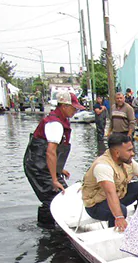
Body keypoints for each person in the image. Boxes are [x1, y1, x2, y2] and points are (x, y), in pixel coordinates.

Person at [23, 90, 85, 227]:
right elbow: (50, 151)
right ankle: (47, 230)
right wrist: (54, 179)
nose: (75, 111)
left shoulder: (60, 121)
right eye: (74, 108)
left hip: (43, 165)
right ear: (64, 106)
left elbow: (53, 152)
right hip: (37, 166)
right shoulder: (55, 123)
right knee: (54, 197)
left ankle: (52, 227)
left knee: (62, 196)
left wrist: (59, 169)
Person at [82, 134, 138, 231]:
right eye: (129, 150)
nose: (132, 153)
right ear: (117, 153)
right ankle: (114, 234)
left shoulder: (127, 161)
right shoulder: (103, 166)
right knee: (121, 210)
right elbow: (110, 193)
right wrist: (119, 217)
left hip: (118, 195)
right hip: (96, 205)